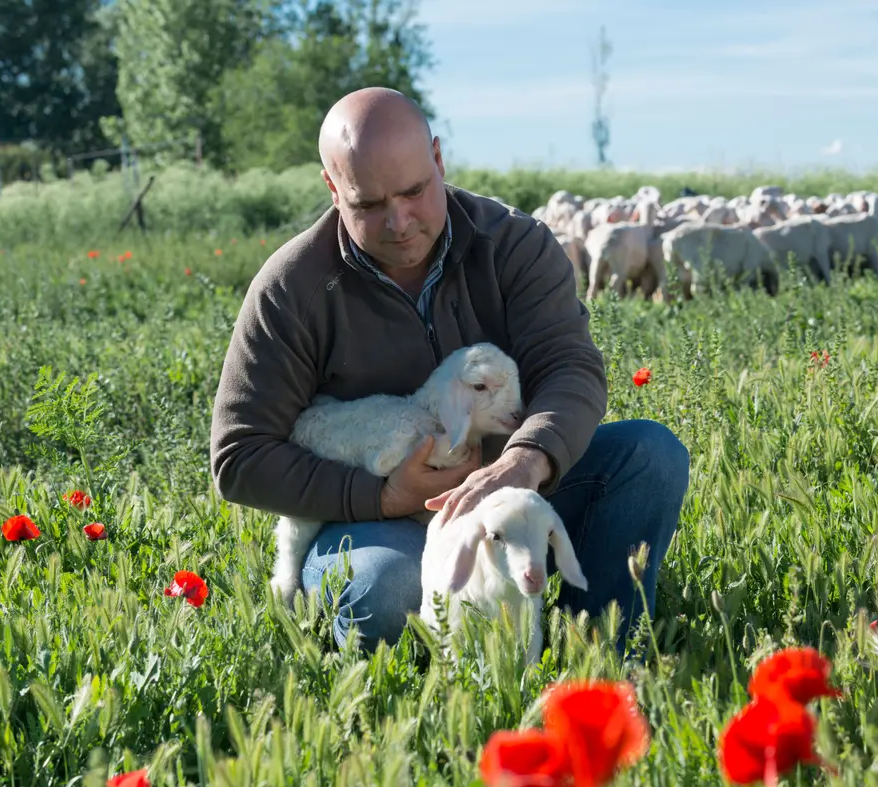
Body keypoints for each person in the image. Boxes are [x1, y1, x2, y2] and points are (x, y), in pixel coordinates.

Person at [209, 86, 689, 656]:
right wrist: (381, 495)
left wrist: (524, 460)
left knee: (649, 455)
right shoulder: (292, 289)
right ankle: (436, 678)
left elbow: (570, 367)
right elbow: (240, 456)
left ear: (438, 160)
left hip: (514, 492)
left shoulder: (513, 245)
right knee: (382, 592)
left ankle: (605, 653)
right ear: (332, 189)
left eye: (414, 190)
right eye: (367, 204)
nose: (399, 222)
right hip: (375, 525)